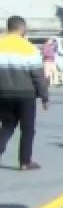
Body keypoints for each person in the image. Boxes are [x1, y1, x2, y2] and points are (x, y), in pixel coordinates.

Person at [0, 16, 50, 170]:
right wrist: (44, 97)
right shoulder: (29, 48)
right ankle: (25, 162)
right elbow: (38, 75)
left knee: (7, 126)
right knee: (28, 128)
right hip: (26, 95)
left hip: (3, 93)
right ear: (22, 28)